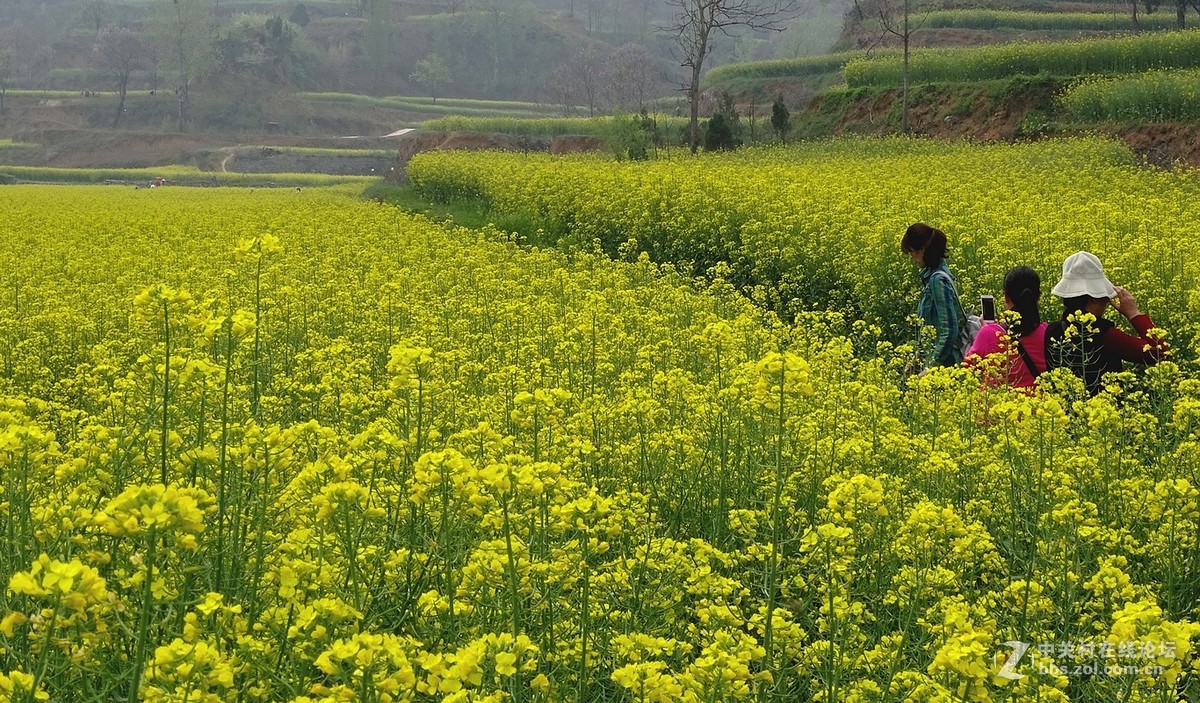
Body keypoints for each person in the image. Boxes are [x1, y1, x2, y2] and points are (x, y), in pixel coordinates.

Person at [1043, 251, 1168, 394]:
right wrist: (1134, 314)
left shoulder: (1051, 330)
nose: (1108, 300)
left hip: (1063, 414)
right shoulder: (1105, 335)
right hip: (1104, 413)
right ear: (1095, 297)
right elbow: (1159, 353)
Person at [965, 266, 1047, 389]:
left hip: (994, 407)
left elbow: (966, 371)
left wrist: (987, 332)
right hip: (1042, 406)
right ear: (1038, 297)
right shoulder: (1048, 332)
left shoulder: (988, 333)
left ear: (1006, 298)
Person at [902, 222, 966, 370]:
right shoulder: (932, 276)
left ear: (923, 249)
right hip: (936, 363)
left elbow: (949, 331)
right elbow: (931, 332)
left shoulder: (938, 280)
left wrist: (930, 367)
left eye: (912, 251)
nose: (911, 257)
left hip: (946, 368)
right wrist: (917, 358)